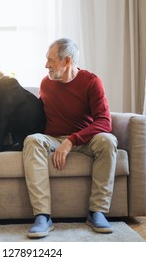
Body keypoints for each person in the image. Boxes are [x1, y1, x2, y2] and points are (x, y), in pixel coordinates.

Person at [23, 38, 118, 238]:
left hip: (85, 140)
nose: (46, 65)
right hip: (53, 138)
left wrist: (71, 140)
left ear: (67, 61)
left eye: (50, 60)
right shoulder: (46, 83)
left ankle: (97, 212)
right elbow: (38, 116)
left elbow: (104, 122)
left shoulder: (91, 81)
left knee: (108, 141)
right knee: (32, 140)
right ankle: (43, 216)